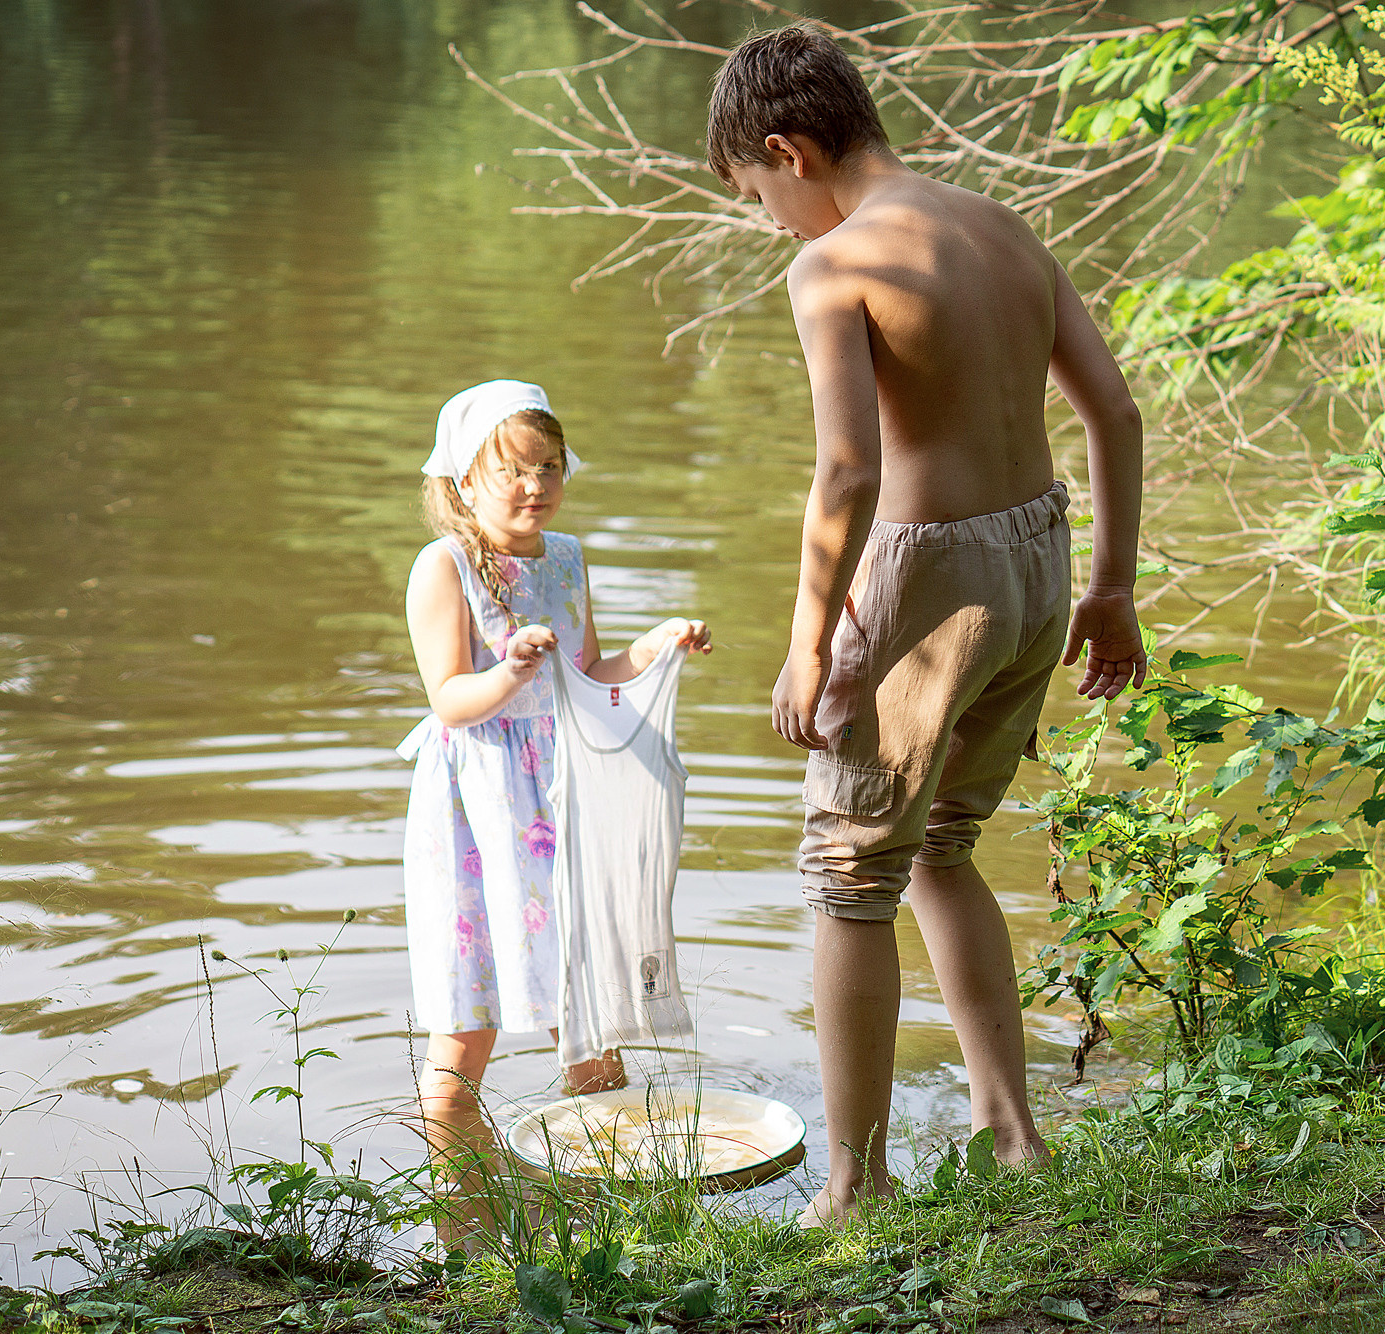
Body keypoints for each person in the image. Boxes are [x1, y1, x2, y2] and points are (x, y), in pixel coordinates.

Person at [706, 24, 1147, 1226]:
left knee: (851, 873)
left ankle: (852, 1185)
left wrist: (807, 641)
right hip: (1036, 560)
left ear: (788, 150)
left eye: (757, 194)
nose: (770, 223)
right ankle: (1012, 1134)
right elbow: (1110, 409)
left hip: (925, 581)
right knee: (943, 844)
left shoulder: (836, 263)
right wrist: (1109, 585)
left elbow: (847, 471)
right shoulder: (1000, 225)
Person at [399, 379, 712, 1247]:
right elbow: (451, 699)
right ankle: (467, 1222)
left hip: (562, 801)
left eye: (549, 466)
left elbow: (592, 671)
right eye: (513, 471)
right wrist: (509, 670)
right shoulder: (446, 566)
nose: (534, 486)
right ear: (464, 480)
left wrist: (653, 648)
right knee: (472, 1012)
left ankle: (604, 1208)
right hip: (479, 807)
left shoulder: (568, 558)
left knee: (588, 995)